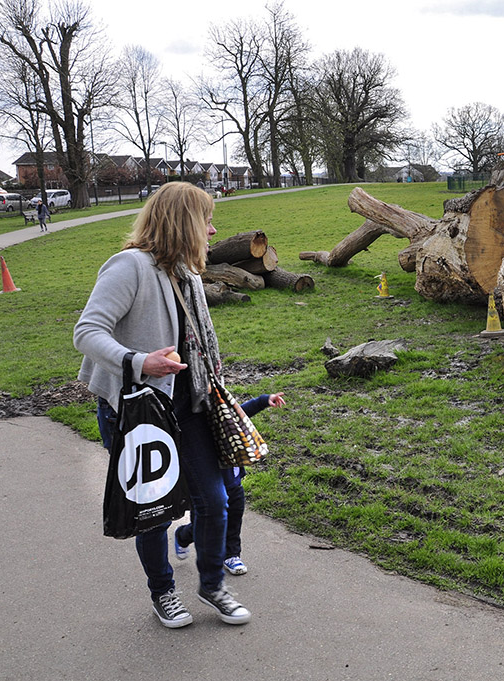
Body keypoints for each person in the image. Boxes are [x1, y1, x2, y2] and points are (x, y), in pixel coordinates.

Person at [74, 181, 252, 629]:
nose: (213, 231)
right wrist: (138, 361)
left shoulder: (186, 274)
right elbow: (87, 332)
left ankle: (212, 586)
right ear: (184, 222)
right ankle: (163, 593)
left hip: (188, 406)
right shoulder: (128, 266)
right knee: (152, 513)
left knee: (214, 500)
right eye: (207, 220)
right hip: (137, 412)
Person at [174, 392, 287, 575]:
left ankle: (232, 555)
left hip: (233, 482)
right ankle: (183, 535)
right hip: (205, 487)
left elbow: (241, 412)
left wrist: (264, 400)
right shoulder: (191, 431)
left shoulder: (223, 419)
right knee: (203, 527)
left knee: (234, 519)